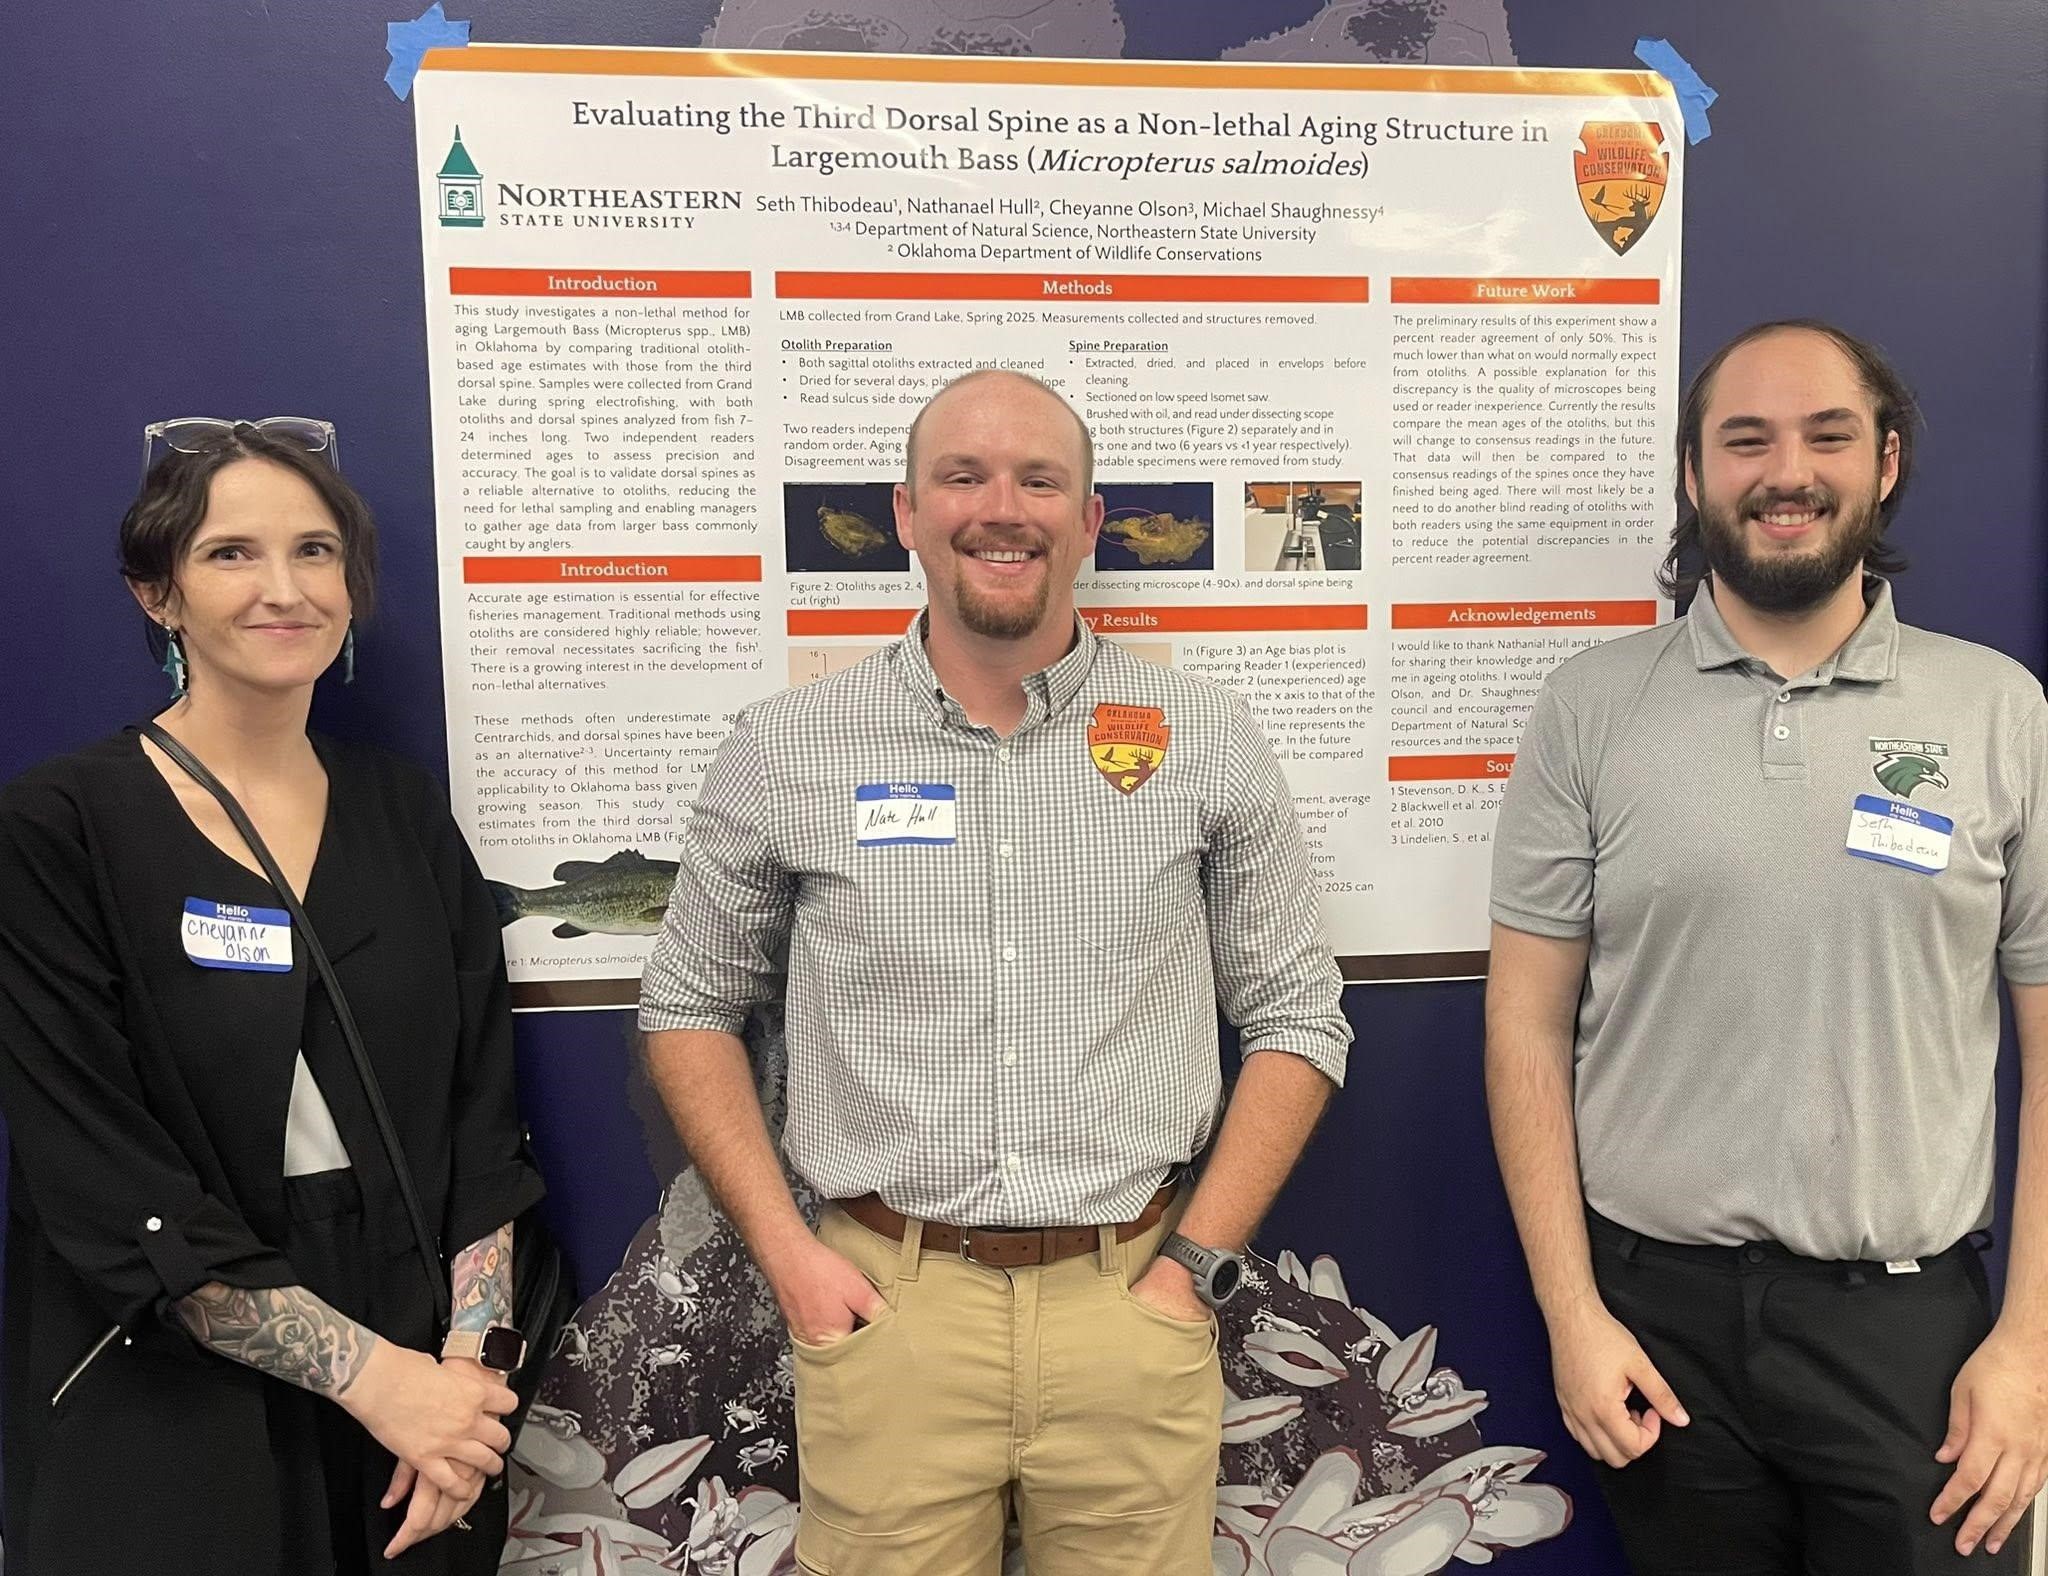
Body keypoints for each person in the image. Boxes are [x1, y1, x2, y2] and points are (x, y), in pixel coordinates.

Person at [640, 368, 1351, 1573]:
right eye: (961, 476)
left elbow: (1297, 1017)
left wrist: (1190, 1268)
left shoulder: (1206, 740)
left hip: (1130, 1302)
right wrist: (788, 1256)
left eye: (1038, 478)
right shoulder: (787, 747)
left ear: (1090, 519)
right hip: (887, 1310)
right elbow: (689, 1006)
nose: (999, 507)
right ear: (908, 513)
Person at [1486, 320, 2048, 1571]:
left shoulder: (2000, 710)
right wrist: (1570, 1313)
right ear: (1693, 474)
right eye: (1743, 440)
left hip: (1913, 1336)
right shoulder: (1589, 706)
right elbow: (1523, 1023)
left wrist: (2029, 1348)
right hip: (1657, 1332)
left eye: (1825, 435)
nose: (1783, 471)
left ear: (1884, 461)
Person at [0, 421, 547, 1573]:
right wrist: (378, 1382)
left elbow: (479, 1119)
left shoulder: (401, 811)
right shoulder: (62, 828)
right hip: (168, 1364)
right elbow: (100, 1175)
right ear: (159, 594)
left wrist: (461, 1382)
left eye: (314, 550)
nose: (284, 588)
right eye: (230, 554)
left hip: (422, 1373)